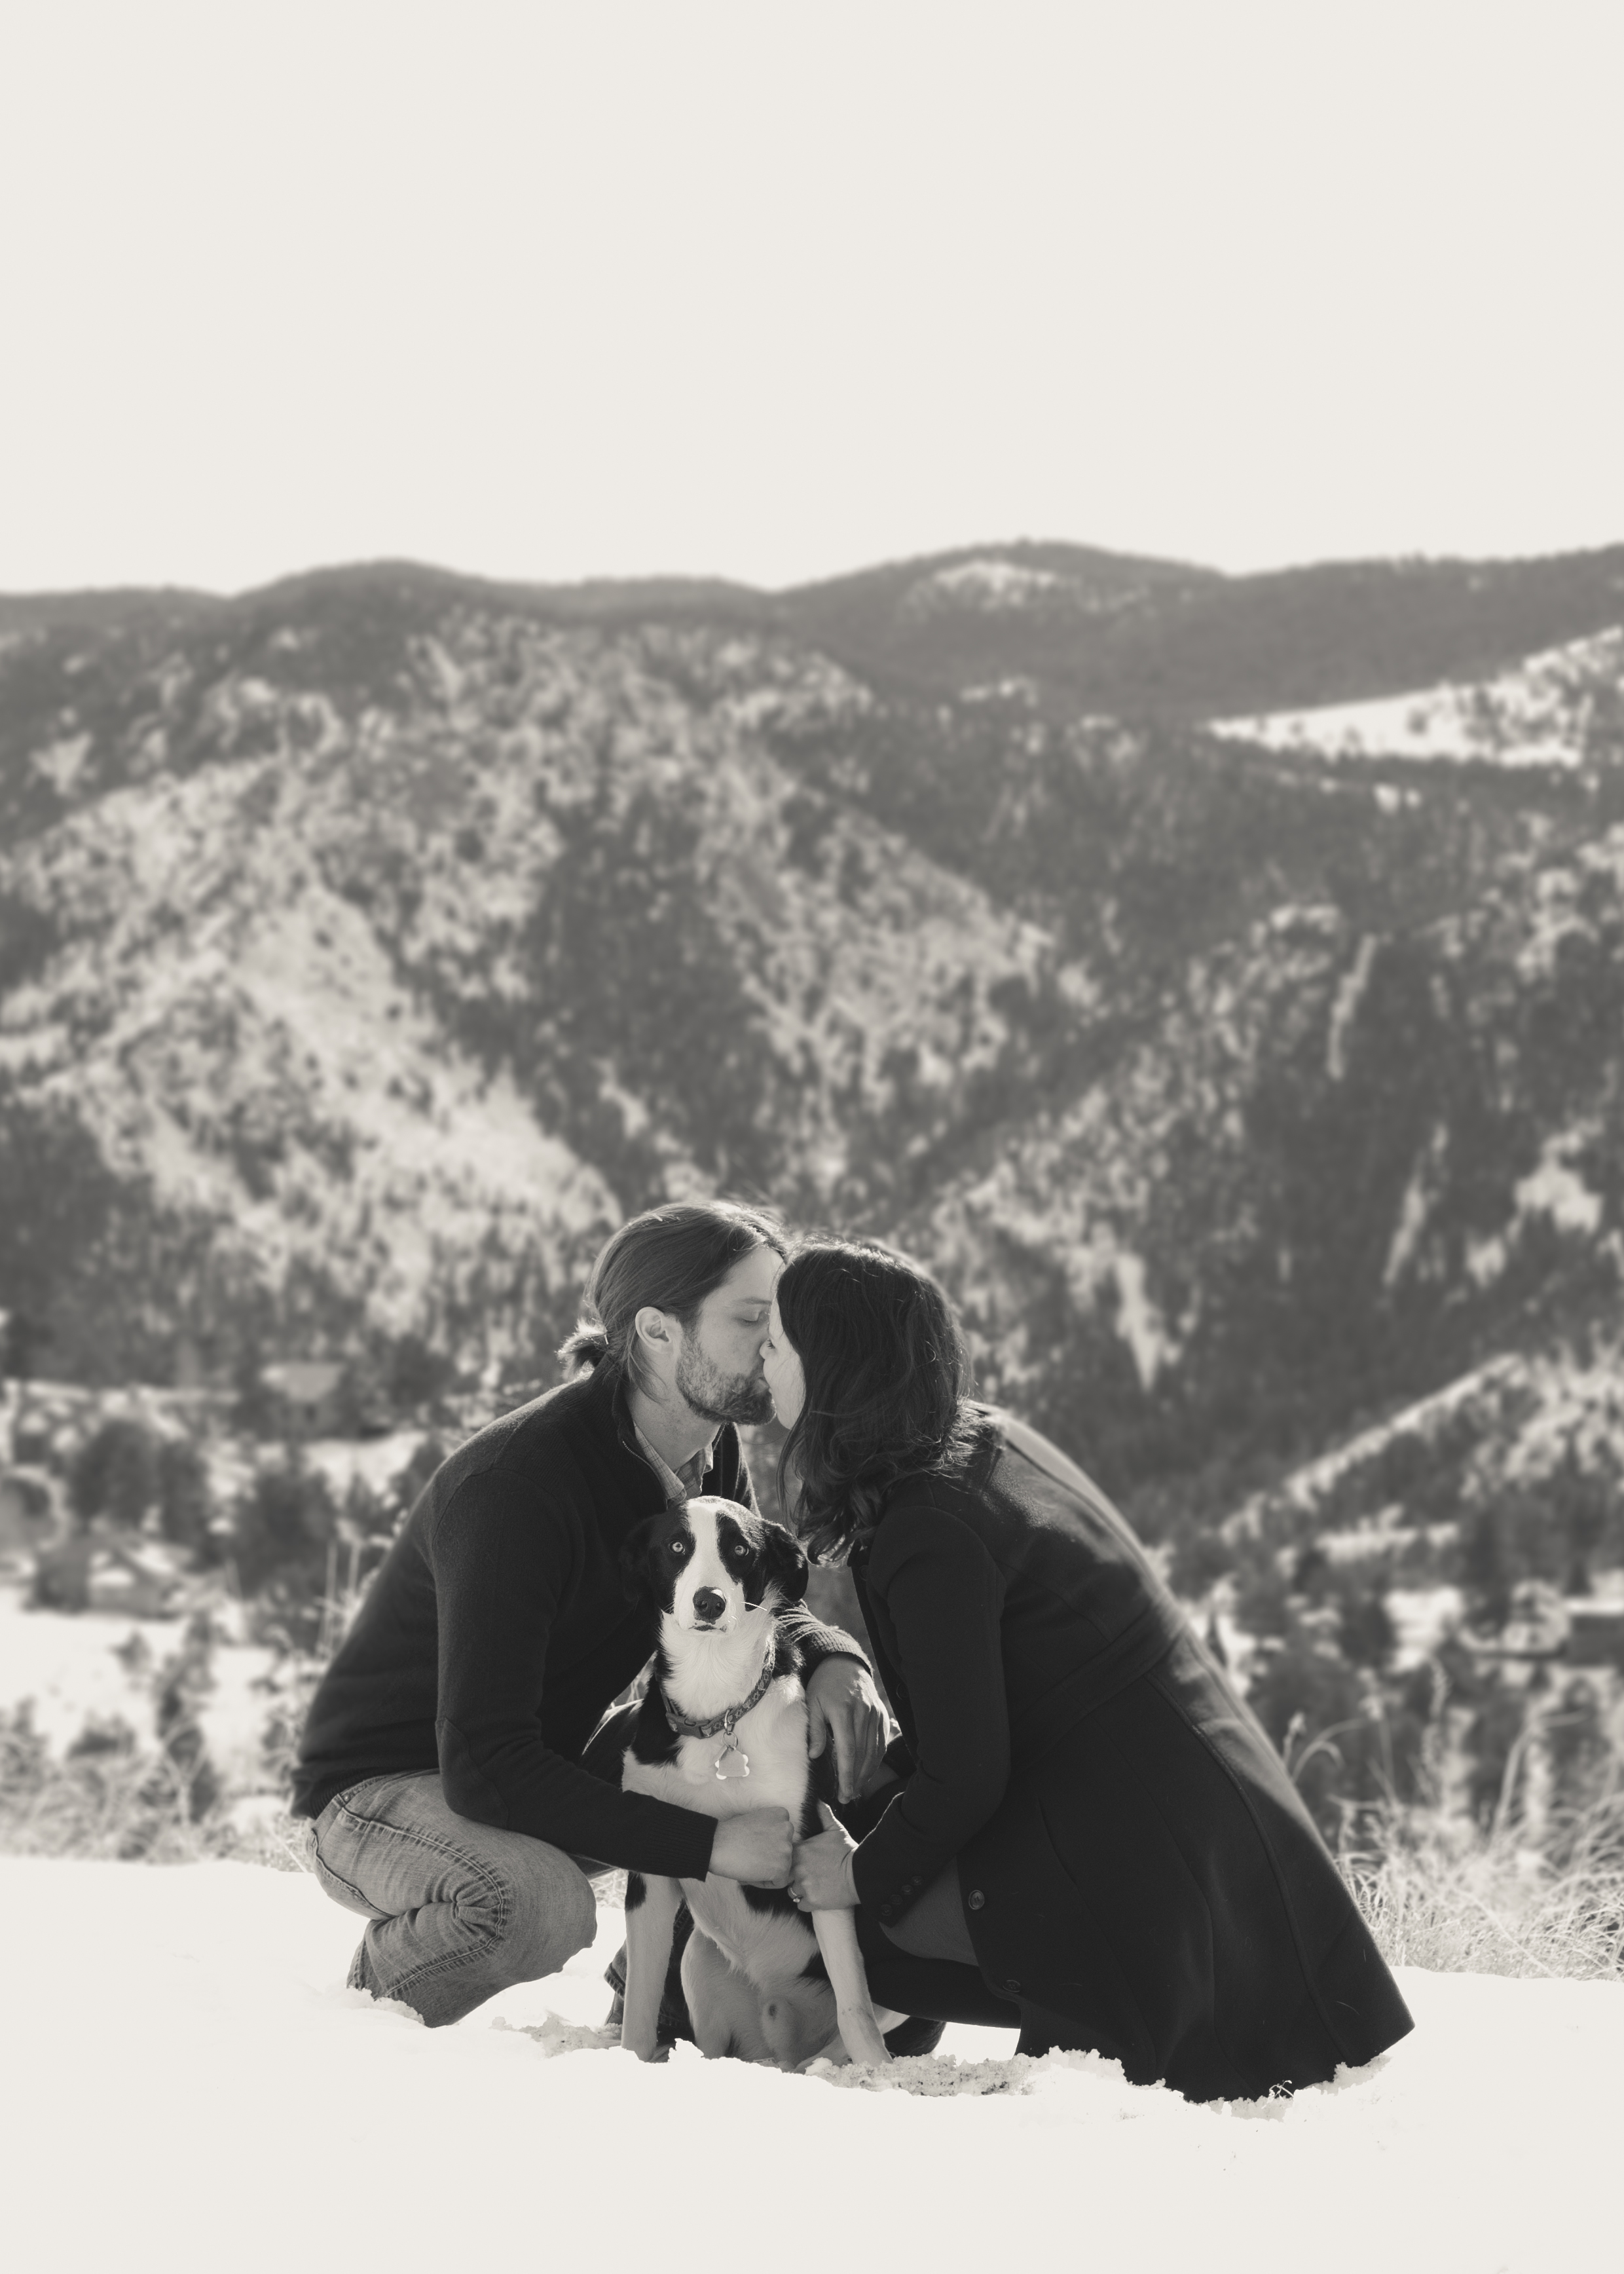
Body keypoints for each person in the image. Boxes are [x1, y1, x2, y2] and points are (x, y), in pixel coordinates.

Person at [772, 1239, 1416, 2101]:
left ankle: (1084, 2010)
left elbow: (965, 1774)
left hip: (1139, 1873)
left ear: (831, 1369)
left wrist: (854, 1874)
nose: (762, 1361)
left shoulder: (928, 1529)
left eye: (775, 1344)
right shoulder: (976, 1444)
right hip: (1204, 1842)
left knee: (837, 1915)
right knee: (861, 1832)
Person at [290, 1201, 889, 2028]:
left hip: (536, 1756)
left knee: (772, 1736)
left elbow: (742, 1604)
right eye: (751, 1318)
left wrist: (829, 1658)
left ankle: (657, 2016)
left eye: (779, 1320)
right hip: (384, 1791)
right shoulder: (516, 1488)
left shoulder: (705, 1447)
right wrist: (705, 1845)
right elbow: (483, 1762)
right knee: (535, 1904)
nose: (775, 1343)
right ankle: (348, 2027)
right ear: (657, 1331)